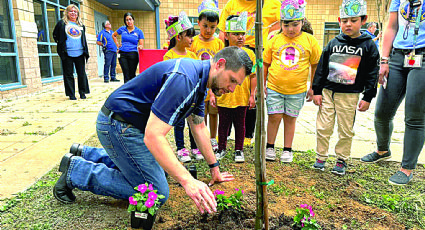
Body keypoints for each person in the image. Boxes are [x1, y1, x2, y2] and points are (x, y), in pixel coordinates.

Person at [53, 46, 253, 216]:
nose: (233, 88)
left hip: (131, 126)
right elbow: (153, 136)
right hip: (119, 125)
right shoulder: (185, 80)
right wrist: (188, 181)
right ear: (220, 64)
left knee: (160, 172)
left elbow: (198, 126)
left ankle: (84, 153)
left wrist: (214, 169)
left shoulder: (200, 81)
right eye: (232, 80)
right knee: (156, 191)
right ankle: (76, 171)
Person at [360, 0, 425, 185]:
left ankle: (407, 168)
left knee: (414, 116)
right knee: (382, 111)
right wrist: (384, 60)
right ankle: (382, 150)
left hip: (423, 57)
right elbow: (391, 27)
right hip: (397, 56)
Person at [312, 0, 379, 175]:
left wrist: (368, 96)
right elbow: (321, 67)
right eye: (344, 20)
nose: (348, 24)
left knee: (345, 128)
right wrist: (317, 90)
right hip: (327, 93)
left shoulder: (368, 45)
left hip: (349, 95)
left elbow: (373, 72)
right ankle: (321, 156)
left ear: (363, 20)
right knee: (323, 126)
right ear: (339, 21)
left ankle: (341, 159)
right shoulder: (333, 42)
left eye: (353, 20)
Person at [263, 0, 321, 162]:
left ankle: (287, 149)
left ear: (302, 22)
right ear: (281, 23)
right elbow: (265, 64)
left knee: (290, 118)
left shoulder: (310, 41)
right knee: (274, 116)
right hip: (274, 87)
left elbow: (315, 65)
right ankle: (270, 146)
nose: (290, 29)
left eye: (295, 24)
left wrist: (313, 87)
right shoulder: (274, 39)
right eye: (286, 24)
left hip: (297, 90)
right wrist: (262, 85)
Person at [218, 0, 282, 147]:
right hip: (233, 50)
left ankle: (248, 134)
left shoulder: (272, 3)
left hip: (257, 52)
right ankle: (225, 135)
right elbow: (222, 32)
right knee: (231, 89)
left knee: (251, 94)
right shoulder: (232, 4)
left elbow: (281, 25)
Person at [215, 13, 256, 163]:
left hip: (242, 98)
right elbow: (214, 76)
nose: (240, 37)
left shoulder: (250, 54)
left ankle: (239, 149)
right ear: (226, 35)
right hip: (223, 97)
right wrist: (213, 94)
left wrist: (253, 95)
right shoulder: (221, 54)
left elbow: (253, 76)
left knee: (241, 124)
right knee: (223, 125)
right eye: (236, 34)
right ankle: (221, 148)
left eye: (242, 34)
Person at [163, 12, 201, 162]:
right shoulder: (169, 56)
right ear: (178, 37)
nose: (192, 39)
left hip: (191, 96)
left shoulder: (192, 56)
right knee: (178, 123)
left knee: (193, 122)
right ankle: (181, 149)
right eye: (189, 36)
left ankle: (195, 147)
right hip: (177, 97)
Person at [190, 0, 224, 152]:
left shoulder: (218, 43)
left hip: (213, 86)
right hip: (198, 85)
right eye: (205, 26)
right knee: (199, 113)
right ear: (198, 23)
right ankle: (200, 139)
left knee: (214, 112)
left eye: (212, 27)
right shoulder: (193, 42)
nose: (208, 30)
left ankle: (213, 138)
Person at [53, 4, 90, 100]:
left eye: (75, 11)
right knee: (68, 74)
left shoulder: (81, 25)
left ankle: (82, 92)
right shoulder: (62, 24)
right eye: (71, 11)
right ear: (67, 13)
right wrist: (62, 45)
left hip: (80, 53)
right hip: (67, 53)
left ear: (77, 14)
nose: (73, 13)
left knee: (81, 73)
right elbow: (55, 35)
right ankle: (71, 94)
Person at [112, 12, 144, 83]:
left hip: (133, 54)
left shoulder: (139, 31)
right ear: (125, 21)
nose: (129, 21)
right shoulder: (122, 29)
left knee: (132, 74)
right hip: (122, 54)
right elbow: (113, 35)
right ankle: (126, 92)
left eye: (130, 19)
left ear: (133, 20)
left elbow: (141, 44)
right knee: (126, 74)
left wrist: (140, 46)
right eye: (127, 20)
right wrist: (117, 45)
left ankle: (133, 91)